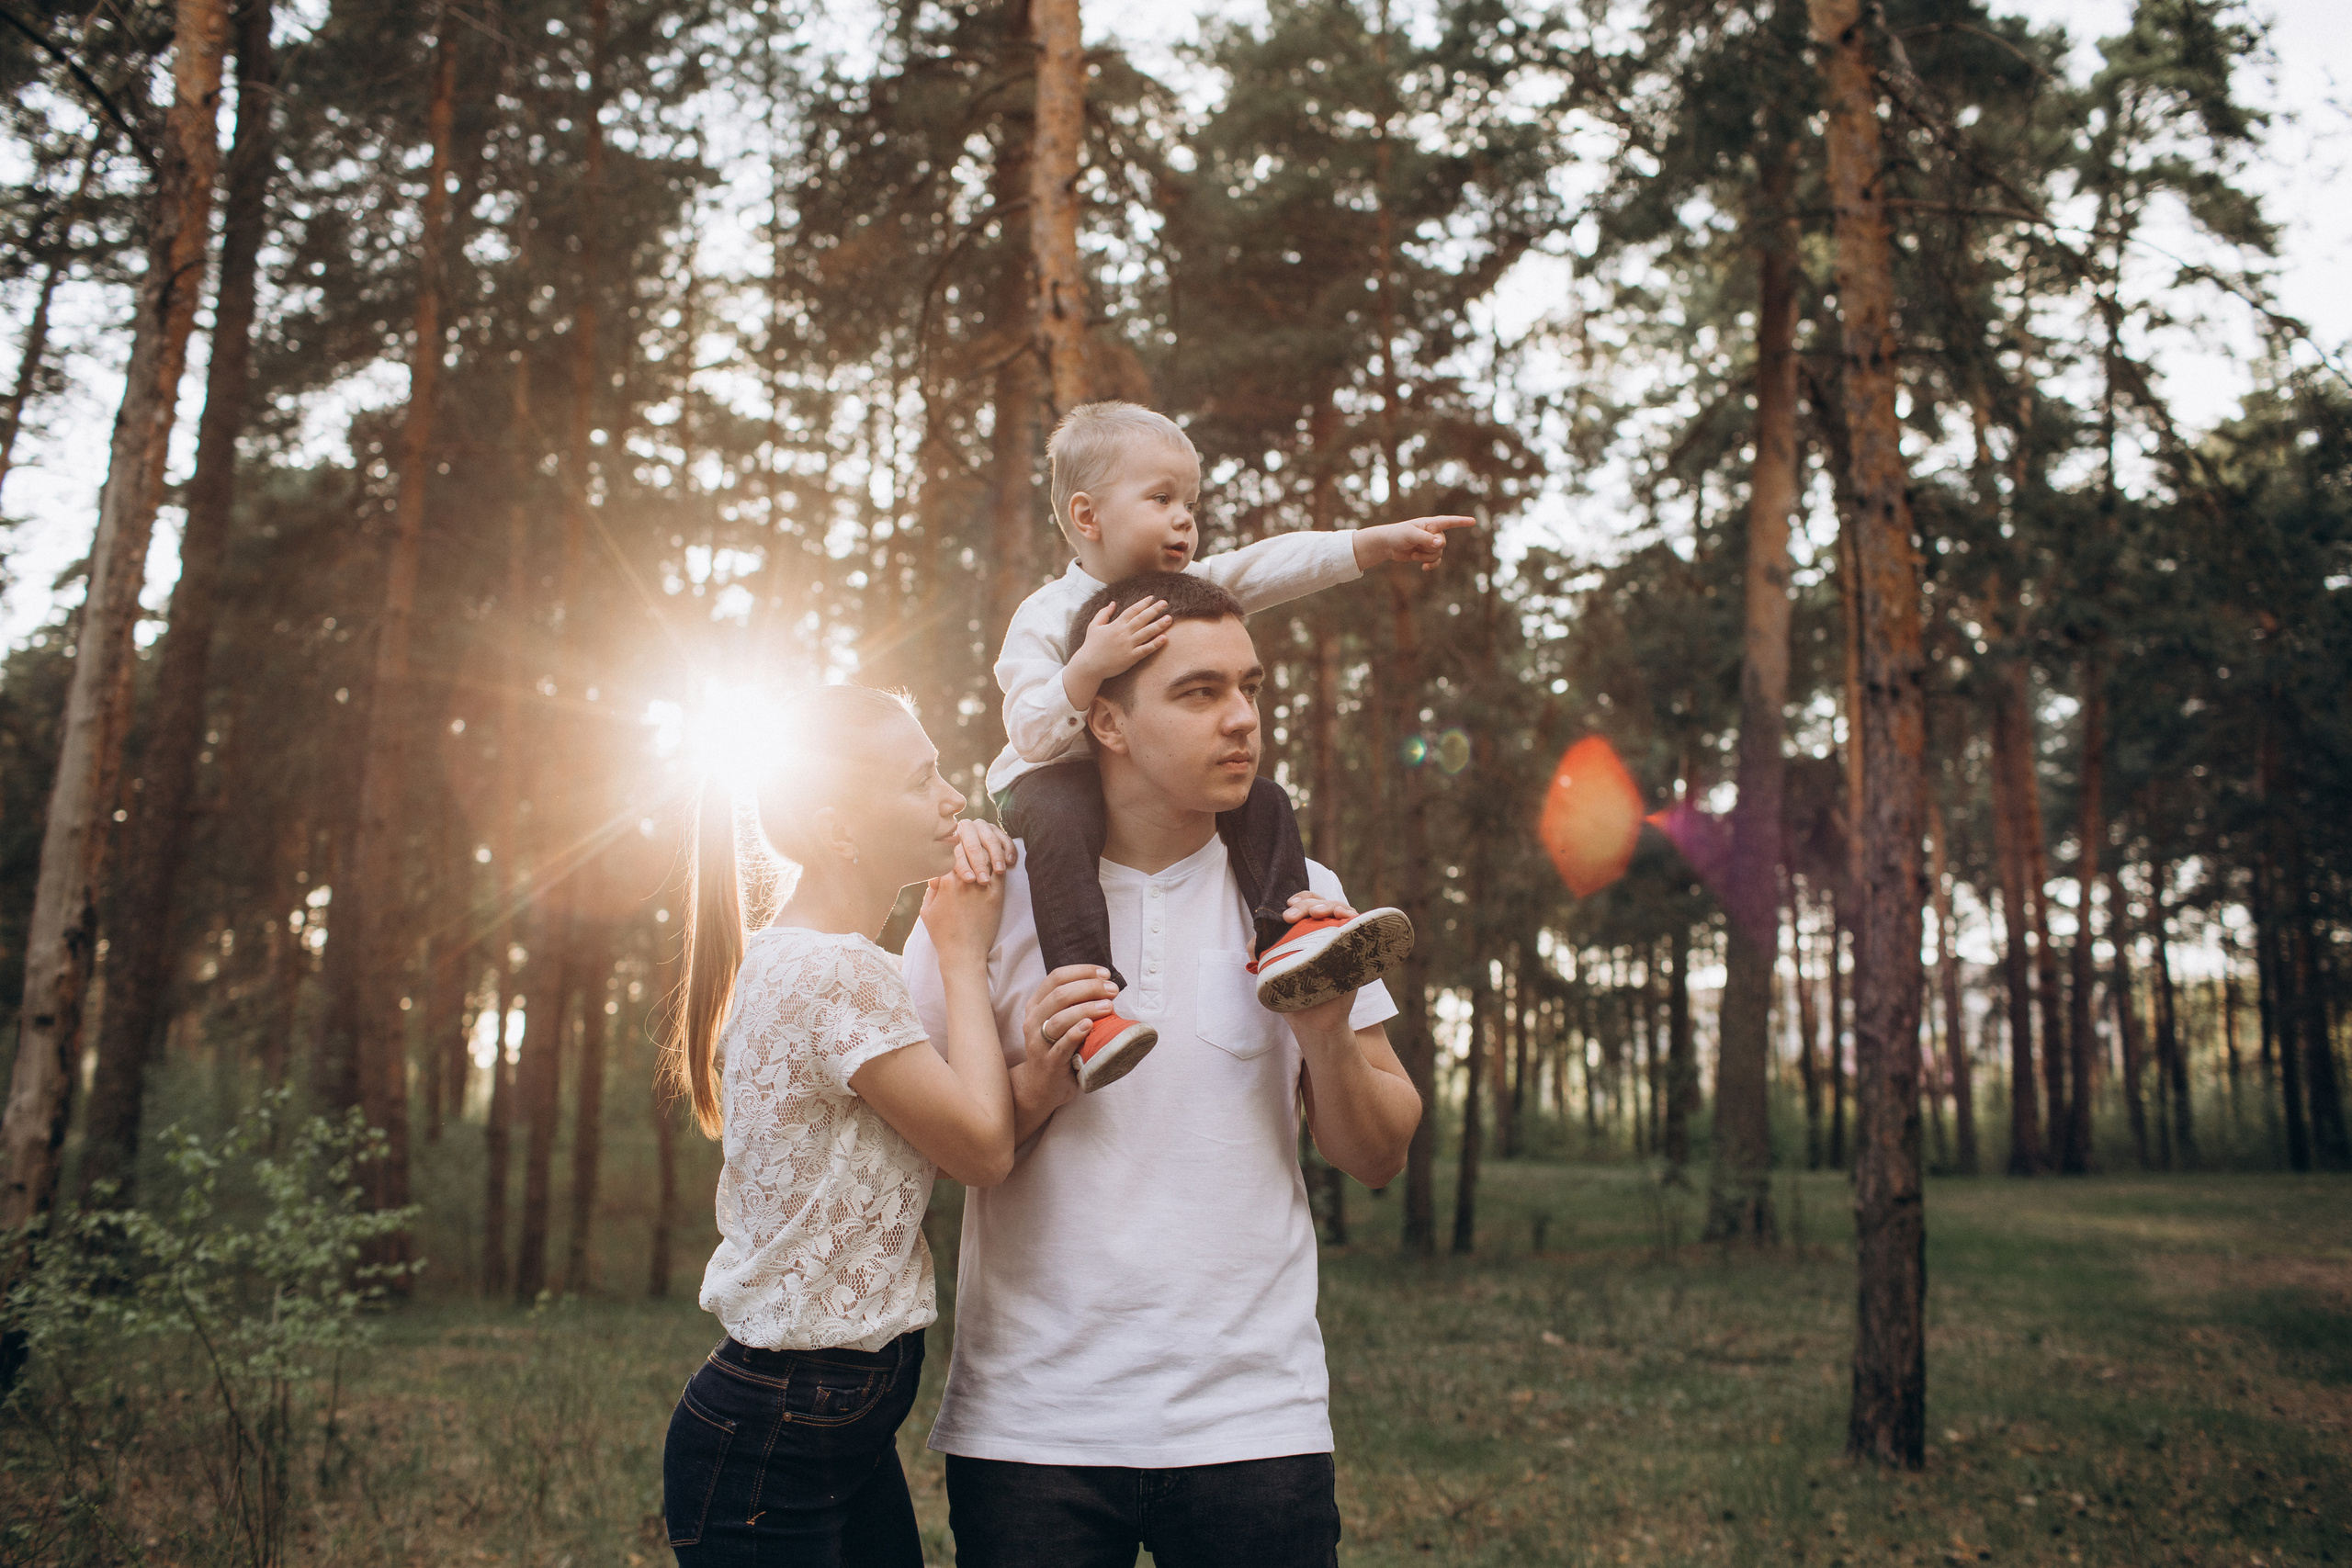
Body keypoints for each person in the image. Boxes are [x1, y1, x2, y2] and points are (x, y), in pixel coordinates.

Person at [903, 571, 1426, 1568]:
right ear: (1104, 719)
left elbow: (1378, 1153)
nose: (1243, 722)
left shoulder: (1302, 895)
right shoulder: (981, 902)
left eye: (1252, 689)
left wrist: (1321, 1029)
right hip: (1034, 1427)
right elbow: (921, 1159)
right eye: (1199, 694)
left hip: (1255, 1425)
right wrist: (1039, 1083)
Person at [990, 400, 1472, 1089]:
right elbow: (1030, 733)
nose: (1185, 517)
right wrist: (1087, 668)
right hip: (1047, 783)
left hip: (1158, 788)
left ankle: (1285, 938)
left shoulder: (1191, 591)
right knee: (1065, 822)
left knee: (1266, 799)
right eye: (1161, 498)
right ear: (1087, 516)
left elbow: (1274, 564)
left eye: (1190, 501)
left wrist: (1374, 541)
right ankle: (1094, 1013)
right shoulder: (1046, 616)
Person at [658, 684, 1024, 1567]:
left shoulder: (810, 961)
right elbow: (983, 1150)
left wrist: (1035, 1079)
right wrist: (962, 953)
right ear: (840, 830)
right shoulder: (836, 972)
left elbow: (944, 1131)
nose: (952, 798)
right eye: (920, 779)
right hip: (778, 1433)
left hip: (820, 1424)